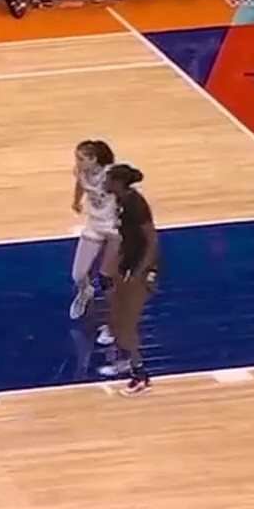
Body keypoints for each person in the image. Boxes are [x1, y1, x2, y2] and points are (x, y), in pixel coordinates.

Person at [99, 163, 159, 393]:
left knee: (126, 326)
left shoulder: (136, 205)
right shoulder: (121, 201)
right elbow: (127, 239)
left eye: (108, 179)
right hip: (128, 266)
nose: (104, 182)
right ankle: (128, 361)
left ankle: (140, 376)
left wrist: (141, 272)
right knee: (115, 321)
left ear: (118, 183)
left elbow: (152, 241)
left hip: (142, 270)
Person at [69, 139, 121, 325]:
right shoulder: (80, 171)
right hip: (94, 225)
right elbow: (80, 184)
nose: (77, 162)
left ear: (94, 159)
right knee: (78, 275)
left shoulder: (113, 175)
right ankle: (86, 291)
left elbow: (130, 196)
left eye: (81, 159)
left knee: (107, 278)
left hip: (114, 228)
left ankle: (116, 317)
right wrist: (76, 201)